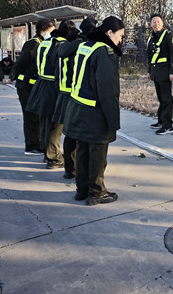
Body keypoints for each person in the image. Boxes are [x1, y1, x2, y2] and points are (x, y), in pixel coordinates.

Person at [63, 16, 124, 205]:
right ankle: (97, 192)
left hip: (78, 107)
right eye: (120, 36)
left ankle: (81, 190)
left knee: (82, 151)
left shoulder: (85, 45)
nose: (120, 40)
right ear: (109, 33)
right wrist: (112, 120)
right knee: (97, 155)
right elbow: (107, 89)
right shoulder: (104, 52)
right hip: (94, 112)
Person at [27, 20, 76, 169]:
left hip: (41, 83)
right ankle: (53, 157)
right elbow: (60, 68)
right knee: (56, 123)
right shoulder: (61, 45)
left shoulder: (44, 43)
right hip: (53, 86)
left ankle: (46, 151)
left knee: (44, 120)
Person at [52, 17, 97, 179]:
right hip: (76, 95)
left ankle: (70, 169)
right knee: (78, 135)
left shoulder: (68, 44)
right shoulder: (81, 45)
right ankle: (75, 169)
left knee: (71, 133)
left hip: (68, 93)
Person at [11, 18, 55, 156]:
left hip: (34, 85)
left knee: (37, 115)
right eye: (51, 30)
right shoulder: (34, 43)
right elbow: (21, 63)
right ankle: (31, 146)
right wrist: (12, 76)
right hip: (26, 85)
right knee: (30, 115)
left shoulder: (44, 43)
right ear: (44, 29)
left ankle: (39, 143)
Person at [146, 14, 173, 135]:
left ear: (162, 23)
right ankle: (161, 121)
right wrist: (149, 71)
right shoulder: (151, 37)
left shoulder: (169, 36)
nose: (156, 24)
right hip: (156, 72)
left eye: (158, 21)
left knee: (166, 99)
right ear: (150, 24)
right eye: (153, 22)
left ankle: (168, 126)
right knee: (161, 98)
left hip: (165, 72)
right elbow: (150, 56)